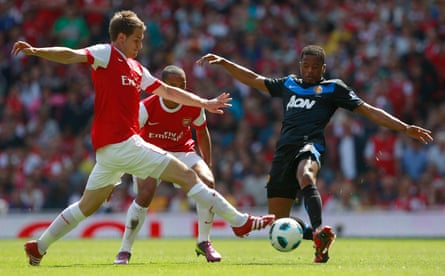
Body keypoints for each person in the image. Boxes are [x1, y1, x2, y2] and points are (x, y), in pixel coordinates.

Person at [11, 10, 275, 266]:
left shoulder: (137, 69)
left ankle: (38, 247)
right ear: (121, 37)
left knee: (84, 207)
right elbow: (72, 55)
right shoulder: (106, 53)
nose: (139, 45)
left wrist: (204, 103)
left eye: (141, 40)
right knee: (188, 177)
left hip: (111, 151)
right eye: (136, 39)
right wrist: (37, 51)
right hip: (121, 143)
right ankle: (240, 222)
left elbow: (170, 93)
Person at [197, 45, 433, 263]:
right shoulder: (288, 84)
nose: (309, 71)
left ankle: (319, 229)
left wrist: (404, 127)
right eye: (305, 66)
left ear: (323, 68)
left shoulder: (333, 88)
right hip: (283, 153)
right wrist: (226, 63)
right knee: (277, 224)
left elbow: (369, 111)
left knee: (306, 175)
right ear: (300, 65)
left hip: (310, 145)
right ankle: (318, 236)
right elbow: (254, 79)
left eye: (314, 67)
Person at [114, 65, 221, 264]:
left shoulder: (193, 105)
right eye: (172, 85)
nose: (178, 89)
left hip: (183, 152)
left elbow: (201, 132)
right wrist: (117, 175)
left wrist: (208, 163)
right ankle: (125, 250)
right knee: (145, 193)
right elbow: (127, 139)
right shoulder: (146, 107)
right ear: (162, 85)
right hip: (150, 153)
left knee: (208, 183)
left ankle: (204, 242)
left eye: (182, 85)